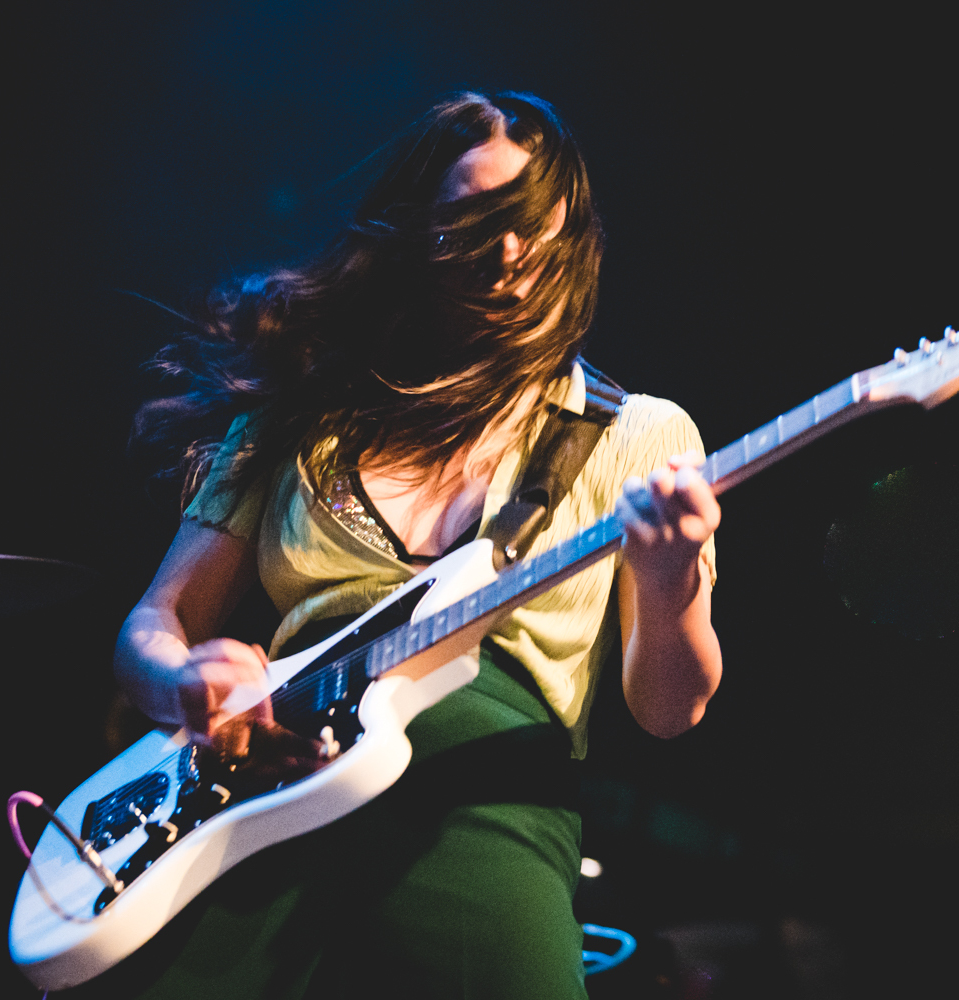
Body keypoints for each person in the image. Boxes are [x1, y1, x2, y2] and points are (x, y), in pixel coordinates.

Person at [89, 91, 722, 1000]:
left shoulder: (637, 433)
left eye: (529, 226)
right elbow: (156, 622)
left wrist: (670, 584)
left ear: (571, 235)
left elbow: (670, 709)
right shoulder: (304, 411)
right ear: (417, 234)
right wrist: (183, 682)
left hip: (482, 826)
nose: (508, 257)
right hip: (258, 818)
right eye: (474, 225)